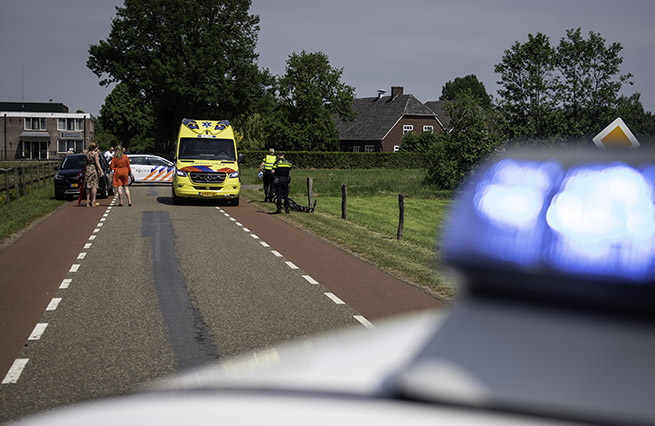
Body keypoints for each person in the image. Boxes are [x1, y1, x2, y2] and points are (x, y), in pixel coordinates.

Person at [84, 143, 104, 207]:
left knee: (88, 186)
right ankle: (93, 201)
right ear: (95, 147)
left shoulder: (87, 154)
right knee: (94, 186)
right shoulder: (94, 154)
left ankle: (87, 201)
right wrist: (101, 170)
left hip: (87, 169)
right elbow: (97, 163)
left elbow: (85, 162)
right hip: (93, 169)